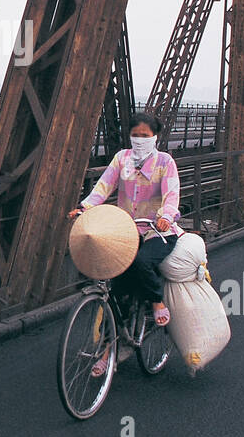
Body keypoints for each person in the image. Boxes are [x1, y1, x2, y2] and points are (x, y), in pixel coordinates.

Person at [69, 112, 182, 339]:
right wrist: (84, 208)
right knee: (116, 290)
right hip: (127, 232)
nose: (140, 140)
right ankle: (107, 350)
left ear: (155, 137)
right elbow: (103, 186)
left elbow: (172, 196)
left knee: (142, 262)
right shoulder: (122, 158)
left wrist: (165, 217)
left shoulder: (165, 162)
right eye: (135, 135)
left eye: (145, 135)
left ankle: (157, 302)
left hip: (157, 231)